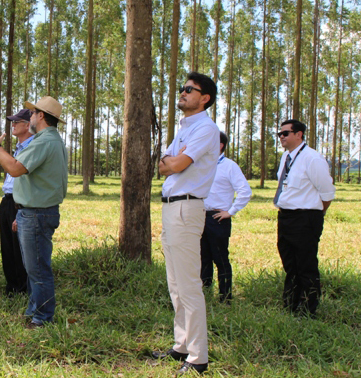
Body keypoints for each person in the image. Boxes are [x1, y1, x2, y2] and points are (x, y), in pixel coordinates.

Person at [151, 72, 220, 376]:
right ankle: (182, 346)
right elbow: (163, 161)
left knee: (189, 285)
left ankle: (198, 357)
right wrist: (170, 161)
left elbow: (175, 164)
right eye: (182, 88)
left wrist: (172, 161)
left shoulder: (206, 129)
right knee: (175, 284)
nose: (183, 92)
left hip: (187, 208)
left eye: (190, 89)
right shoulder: (185, 129)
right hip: (171, 209)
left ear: (204, 98)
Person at [0, 96, 68, 329]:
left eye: (32, 113)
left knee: (38, 269)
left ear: (41, 116)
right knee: (34, 268)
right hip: (33, 212)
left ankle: (42, 318)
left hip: (37, 213)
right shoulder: (49, 140)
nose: (30, 117)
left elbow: (15, 168)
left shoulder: (43, 142)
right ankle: (35, 309)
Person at [274, 119, 335, 317]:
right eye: (280, 134)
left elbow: (327, 192)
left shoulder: (312, 158)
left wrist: (316, 213)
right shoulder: (286, 158)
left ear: (299, 134)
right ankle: (291, 305)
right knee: (290, 263)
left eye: (285, 133)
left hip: (306, 218)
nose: (281, 137)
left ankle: (308, 310)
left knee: (306, 265)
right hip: (285, 217)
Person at [200, 131, 252, 303]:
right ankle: (205, 294)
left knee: (220, 258)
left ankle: (225, 298)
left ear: (220, 145)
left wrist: (230, 211)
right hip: (200, 217)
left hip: (218, 218)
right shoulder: (202, 164)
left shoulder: (230, 166)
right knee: (203, 258)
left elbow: (245, 192)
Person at [0, 109, 34, 295]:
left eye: (16, 121)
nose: (12, 124)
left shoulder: (32, 147)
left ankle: (22, 289)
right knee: (7, 247)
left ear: (28, 125)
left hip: (20, 202)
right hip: (7, 200)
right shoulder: (19, 147)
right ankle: (11, 286)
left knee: (20, 248)